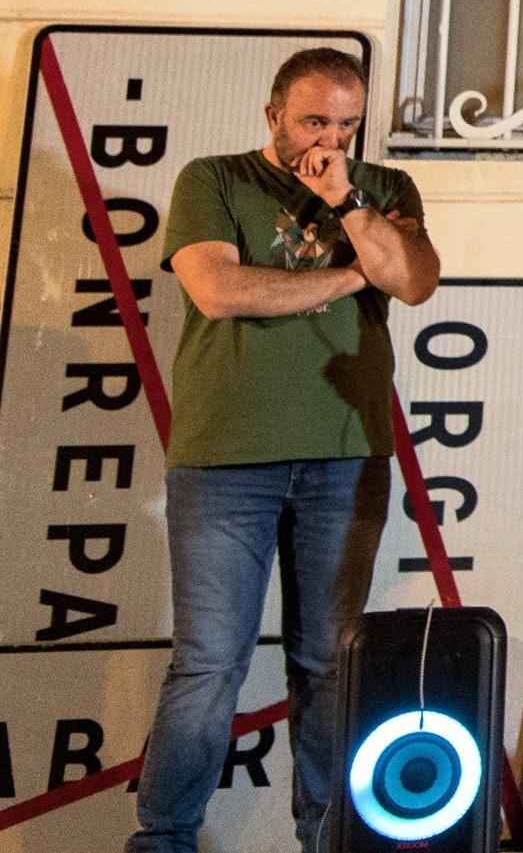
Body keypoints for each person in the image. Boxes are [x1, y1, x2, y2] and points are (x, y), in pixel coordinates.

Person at [131, 46, 440, 853]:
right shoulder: (214, 178)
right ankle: (163, 839)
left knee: (331, 662)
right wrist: (349, 276)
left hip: (345, 452)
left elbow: (411, 281)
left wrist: (346, 204)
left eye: (346, 122)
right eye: (313, 120)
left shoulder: (383, 188)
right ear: (274, 116)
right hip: (225, 455)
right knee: (207, 662)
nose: (330, 138)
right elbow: (220, 289)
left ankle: (327, 838)